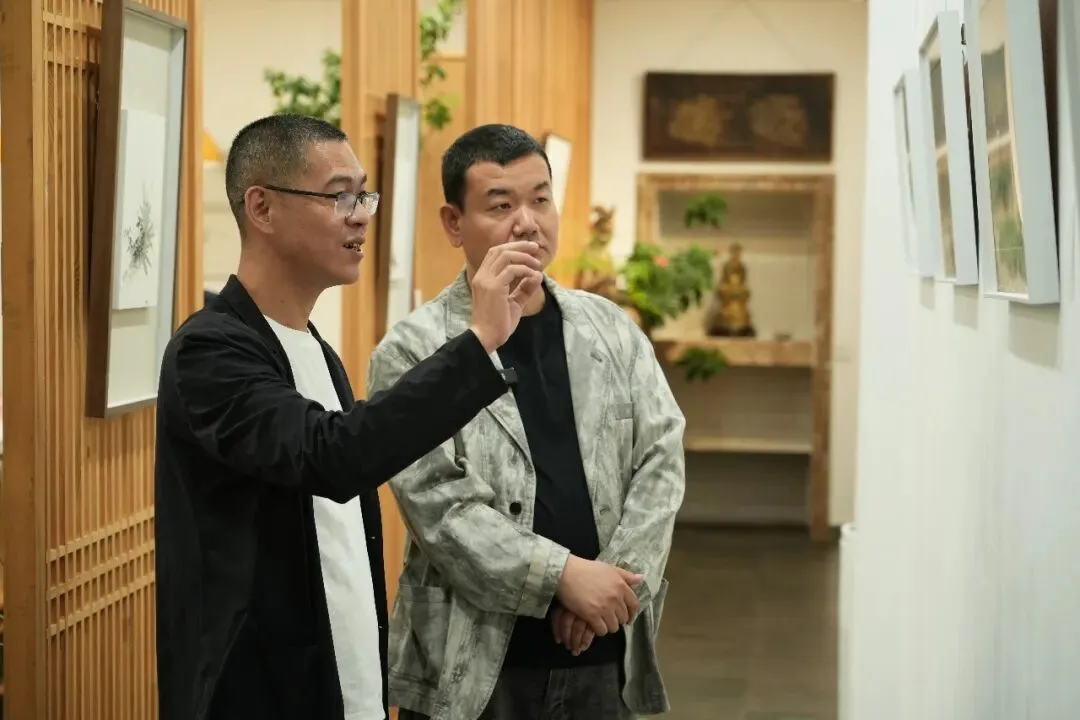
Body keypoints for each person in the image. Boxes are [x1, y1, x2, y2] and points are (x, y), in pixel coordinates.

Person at [154, 115, 545, 720]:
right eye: (339, 196)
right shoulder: (209, 351)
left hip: (348, 684)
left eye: (364, 195)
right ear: (261, 207)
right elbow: (333, 456)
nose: (361, 215)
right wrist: (477, 343)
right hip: (261, 695)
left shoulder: (316, 349)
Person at [367, 124, 687, 720]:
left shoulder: (609, 329)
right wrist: (563, 578)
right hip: (473, 667)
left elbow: (661, 459)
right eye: (501, 205)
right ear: (454, 223)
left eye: (540, 199)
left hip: (602, 656)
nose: (527, 222)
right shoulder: (413, 349)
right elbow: (441, 508)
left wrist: (610, 588)